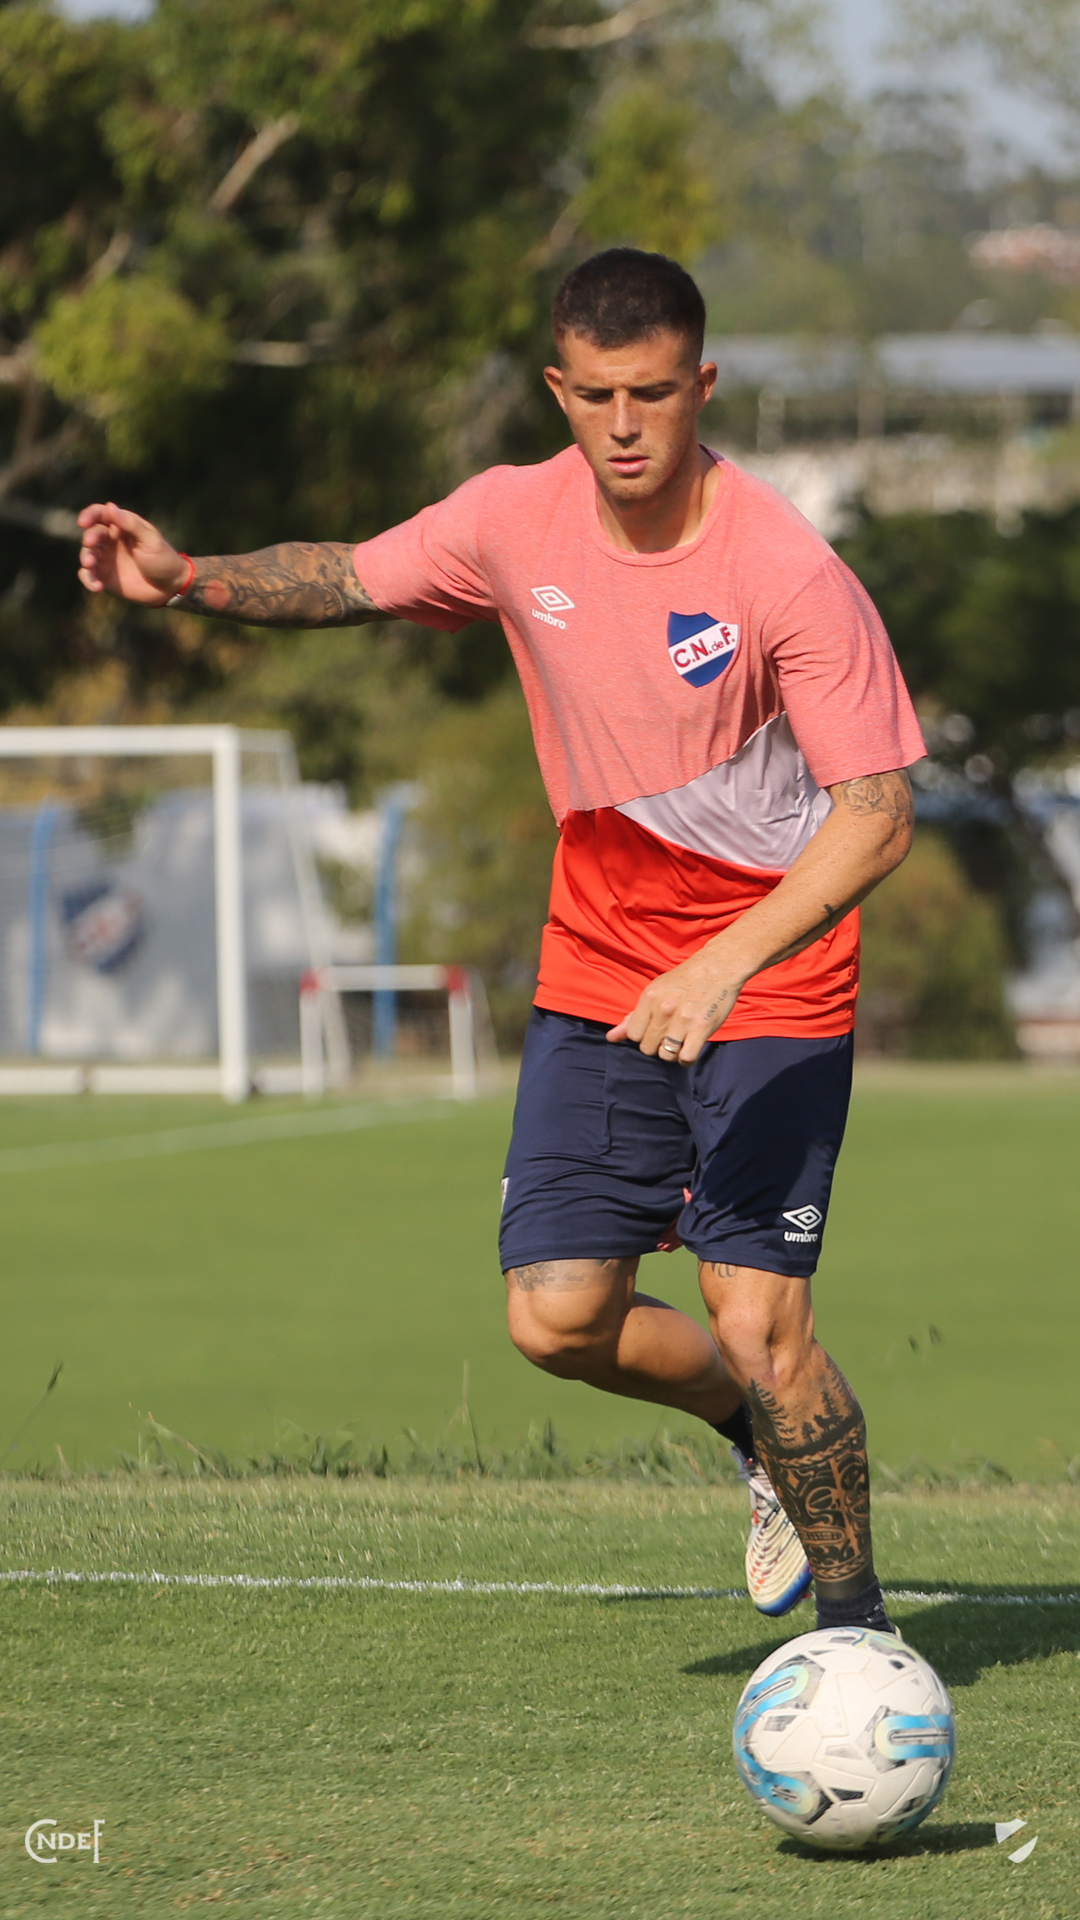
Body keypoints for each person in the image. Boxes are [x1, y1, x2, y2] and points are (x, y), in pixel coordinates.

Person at [78, 247, 923, 1633]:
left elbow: (878, 815)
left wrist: (722, 965)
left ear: (703, 385)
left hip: (768, 978)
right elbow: (347, 576)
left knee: (762, 1321)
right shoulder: (510, 520)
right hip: (600, 970)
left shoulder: (787, 571)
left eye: (654, 392)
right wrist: (184, 580)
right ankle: (753, 1435)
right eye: (596, 395)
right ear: (558, 390)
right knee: (555, 1318)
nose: (626, 424)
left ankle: (859, 1638)